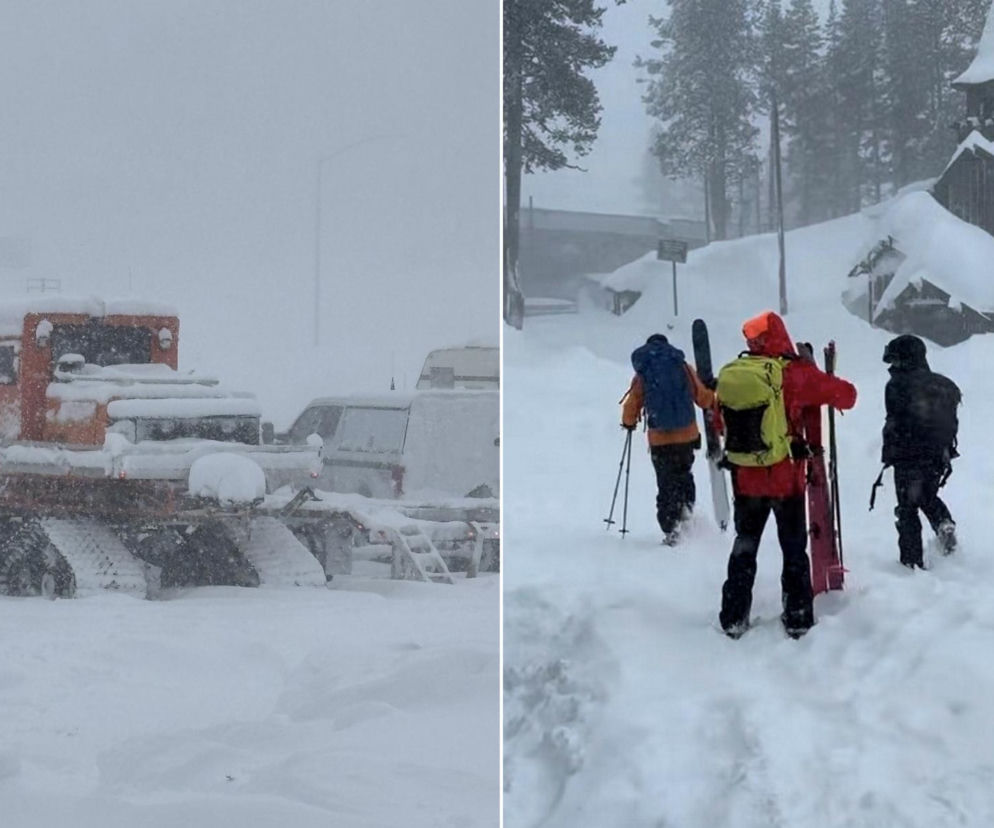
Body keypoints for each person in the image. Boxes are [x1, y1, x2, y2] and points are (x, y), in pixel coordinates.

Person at [717, 311, 857, 639]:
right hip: (785, 480)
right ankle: (796, 617)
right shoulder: (794, 374)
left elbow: (718, 422)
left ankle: (734, 617)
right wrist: (813, 372)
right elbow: (847, 396)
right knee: (793, 548)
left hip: (746, 480)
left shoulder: (736, 375)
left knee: (745, 544)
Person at [621, 333, 715, 545]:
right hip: (687, 436)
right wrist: (713, 395)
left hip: (660, 440)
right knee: (684, 475)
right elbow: (702, 397)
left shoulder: (645, 371)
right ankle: (687, 515)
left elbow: (633, 402)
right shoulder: (681, 366)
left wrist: (628, 422)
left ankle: (671, 527)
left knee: (666, 483)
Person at [880, 334, 959, 568]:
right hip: (937, 456)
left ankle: (911, 562)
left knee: (907, 509)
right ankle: (944, 522)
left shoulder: (896, 386)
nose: (892, 367)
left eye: (895, 361)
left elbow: (895, 420)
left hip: (907, 455)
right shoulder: (943, 385)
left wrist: (891, 452)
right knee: (927, 496)